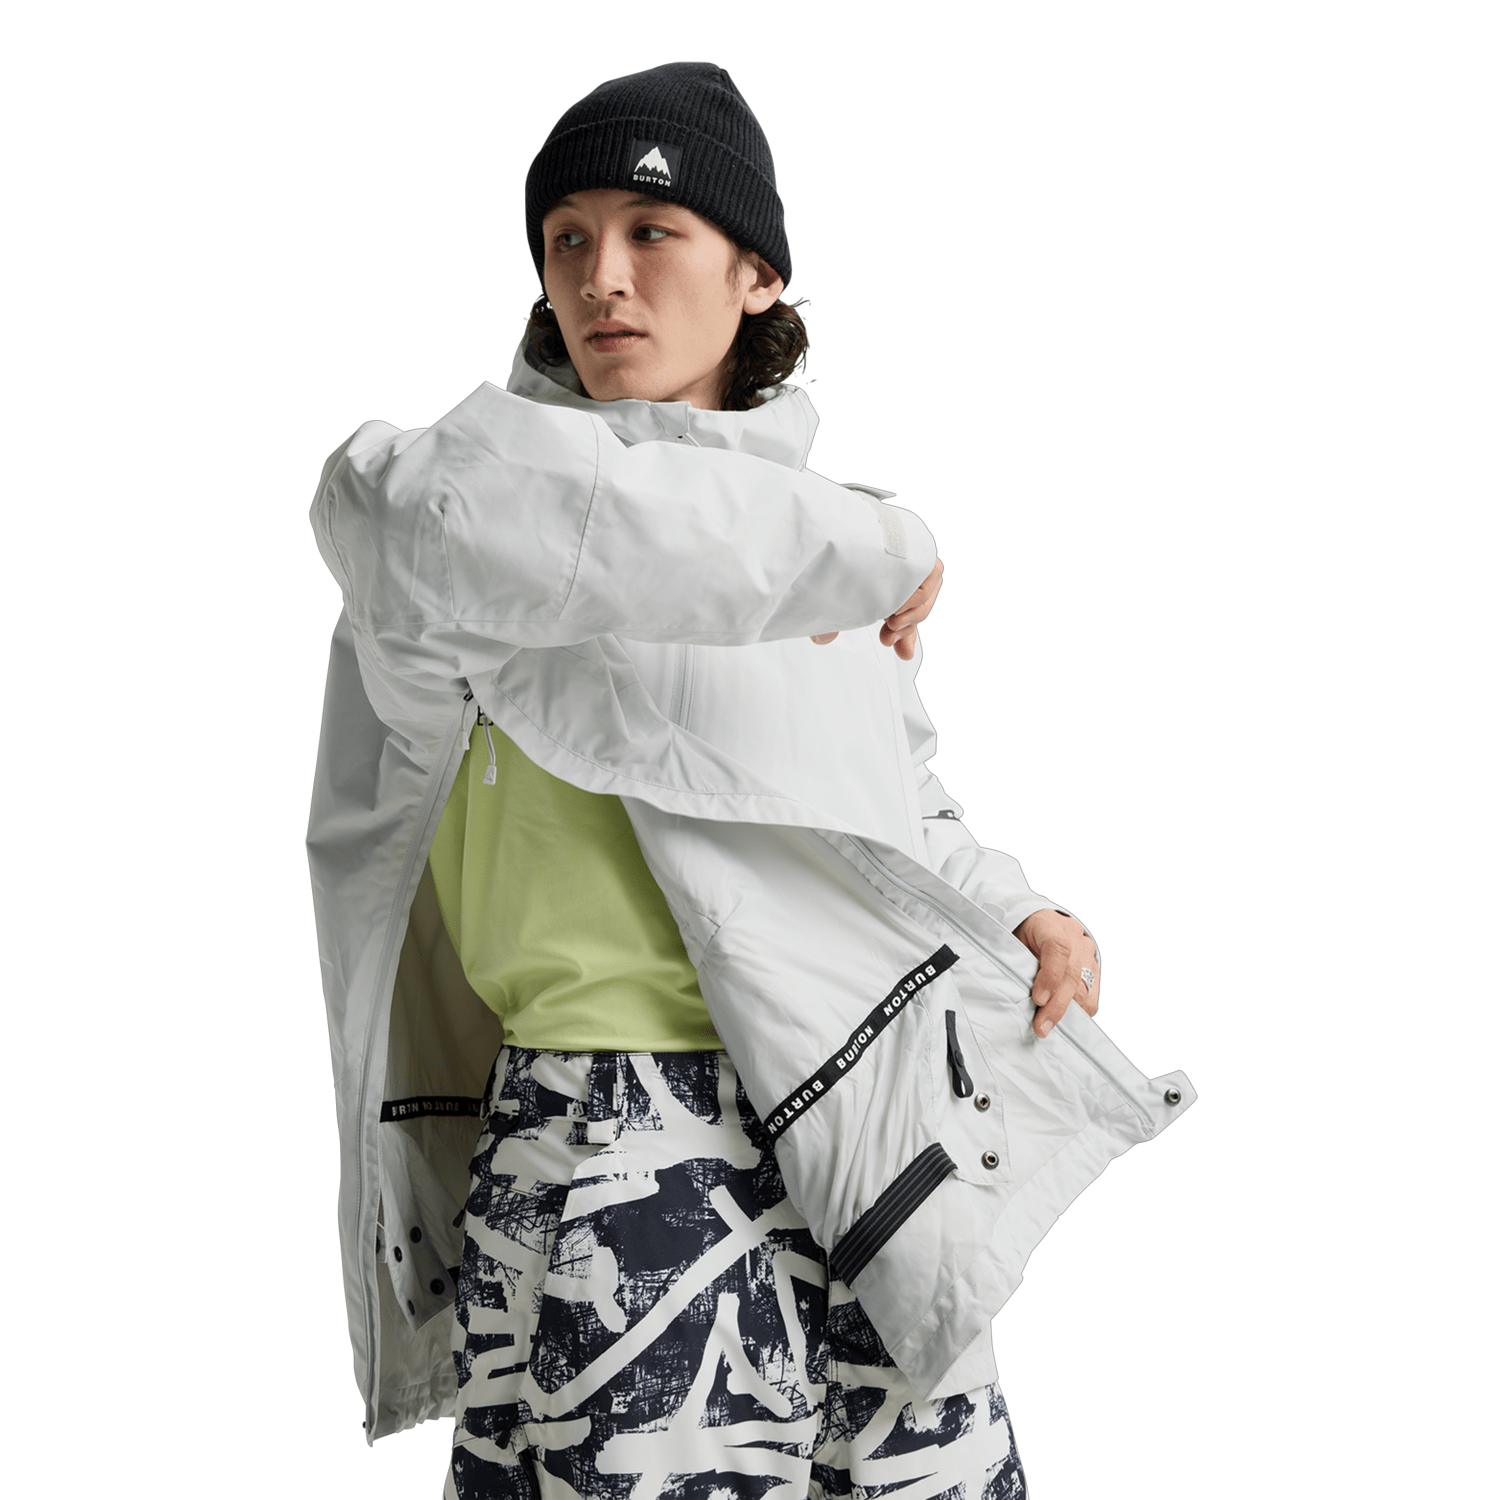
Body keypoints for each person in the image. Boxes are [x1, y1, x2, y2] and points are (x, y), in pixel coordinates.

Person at [307, 60, 1194, 1500]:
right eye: (567, 239)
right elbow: (552, 526)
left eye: (650, 231)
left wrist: (1014, 908)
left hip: (859, 1123)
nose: (602, 278)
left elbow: (885, 797)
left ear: (758, 275)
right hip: (611, 1135)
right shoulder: (468, 518)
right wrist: (886, 545)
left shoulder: (819, 544)